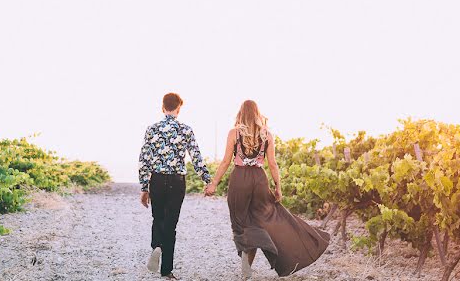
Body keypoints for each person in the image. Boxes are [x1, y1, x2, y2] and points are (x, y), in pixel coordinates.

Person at [205, 100, 330, 278]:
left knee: (240, 222)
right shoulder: (267, 135)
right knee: (263, 219)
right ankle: (251, 261)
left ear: (240, 113)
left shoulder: (234, 133)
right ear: (257, 114)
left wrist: (214, 183)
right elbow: (272, 164)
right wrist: (278, 187)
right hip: (260, 179)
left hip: (240, 178)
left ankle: (246, 258)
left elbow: (225, 161)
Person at [138, 92, 212, 279]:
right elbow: (196, 157)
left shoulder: (152, 129)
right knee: (171, 224)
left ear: (163, 108)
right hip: (177, 181)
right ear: (179, 108)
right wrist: (207, 180)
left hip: (156, 179)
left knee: (157, 217)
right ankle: (166, 271)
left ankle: (156, 246)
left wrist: (144, 188)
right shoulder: (185, 130)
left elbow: (144, 159)